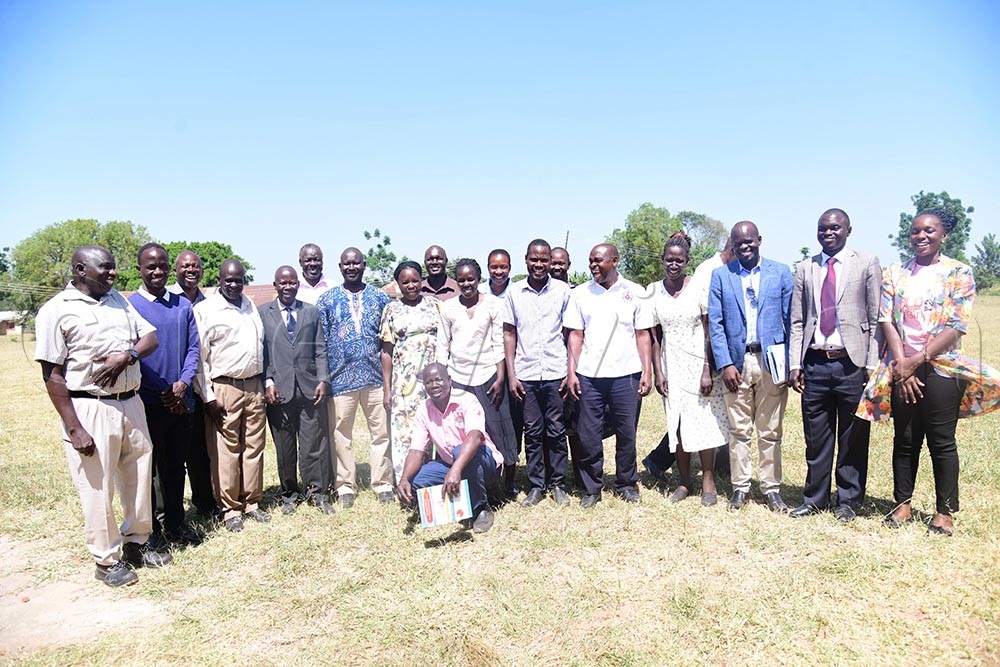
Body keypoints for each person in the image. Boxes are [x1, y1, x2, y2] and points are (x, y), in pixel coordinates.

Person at [35, 245, 171, 587]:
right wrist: (73, 427)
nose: (113, 273)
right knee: (97, 485)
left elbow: (150, 338)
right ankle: (106, 559)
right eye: (105, 268)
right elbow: (52, 373)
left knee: (138, 475)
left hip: (131, 401)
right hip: (90, 406)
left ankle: (138, 542)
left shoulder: (118, 301)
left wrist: (127, 355)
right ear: (80, 269)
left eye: (113, 268)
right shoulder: (57, 310)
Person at [858, 209, 1000, 536]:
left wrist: (918, 359)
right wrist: (903, 367)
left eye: (929, 231)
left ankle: (944, 512)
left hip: (943, 367)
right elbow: (887, 321)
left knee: (941, 440)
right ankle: (902, 504)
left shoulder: (959, 272)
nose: (921, 236)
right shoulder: (896, 272)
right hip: (902, 364)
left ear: (943, 235)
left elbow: (956, 325)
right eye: (915, 231)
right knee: (905, 439)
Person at [788, 209, 880, 522]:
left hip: (852, 364)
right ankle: (814, 499)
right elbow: (798, 320)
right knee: (816, 438)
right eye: (822, 228)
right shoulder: (805, 268)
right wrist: (794, 364)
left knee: (853, 438)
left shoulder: (866, 263)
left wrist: (872, 364)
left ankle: (848, 502)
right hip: (815, 364)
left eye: (835, 228)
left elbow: (875, 317)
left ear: (848, 230)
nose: (828, 233)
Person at [708, 221, 793, 512]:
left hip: (772, 362)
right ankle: (740, 488)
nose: (744, 246)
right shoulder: (721, 276)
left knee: (770, 430)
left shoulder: (780, 272)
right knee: (739, 429)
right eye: (738, 242)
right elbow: (716, 325)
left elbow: (791, 320)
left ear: (759, 240)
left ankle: (771, 489)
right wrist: (725, 364)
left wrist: (790, 364)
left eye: (749, 241)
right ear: (732, 244)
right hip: (737, 362)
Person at [564, 243, 653, 508]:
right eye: (590, 260)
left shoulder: (635, 292)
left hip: (626, 374)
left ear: (614, 261)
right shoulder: (580, 294)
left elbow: (643, 334)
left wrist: (646, 371)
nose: (593, 265)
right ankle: (592, 487)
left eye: (598, 260)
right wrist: (571, 372)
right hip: (590, 375)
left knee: (627, 433)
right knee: (588, 434)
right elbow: (575, 336)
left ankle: (626, 483)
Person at [128, 243, 204, 546]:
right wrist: (163, 390)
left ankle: (176, 523)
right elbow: (136, 355)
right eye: (150, 266)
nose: (157, 271)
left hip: (181, 400)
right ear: (140, 270)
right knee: (150, 469)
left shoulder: (182, 305)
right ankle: (153, 530)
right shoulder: (130, 306)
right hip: (149, 402)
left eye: (162, 265)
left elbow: (194, 348)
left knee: (175, 466)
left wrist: (183, 383)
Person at [643, 237, 735, 482]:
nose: (674, 264)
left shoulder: (698, 287)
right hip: (671, 365)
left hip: (698, 363)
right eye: (669, 259)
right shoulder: (653, 291)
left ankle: (708, 481)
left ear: (687, 262)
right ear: (662, 260)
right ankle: (684, 482)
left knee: (705, 422)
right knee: (678, 423)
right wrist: (658, 373)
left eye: (679, 260)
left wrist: (707, 369)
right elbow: (655, 337)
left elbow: (708, 330)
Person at [193, 259, 269, 533]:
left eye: (239, 280)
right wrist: (208, 396)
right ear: (220, 279)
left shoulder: (250, 306)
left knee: (254, 447)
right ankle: (230, 509)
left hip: (254, 385)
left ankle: (252, 502)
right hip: (224, 387)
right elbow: (200, 359)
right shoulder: (206, 310)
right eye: (229, 280)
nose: (234, 285)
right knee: (226, 450)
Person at [317, 247, 395, 507]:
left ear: (364, 266)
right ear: (340, 267)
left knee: (381, 433)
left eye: (356, 263)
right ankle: (345, 486)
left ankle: (383, 483)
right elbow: (322, 343)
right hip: (341, 381)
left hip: (375, 378)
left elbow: (388, 339)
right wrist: (325, 379)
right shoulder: (326, 300)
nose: (352, 267)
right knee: (341, 435)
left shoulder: (381, 298)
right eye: (347, 264)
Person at [438, 258, 518, 498]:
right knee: (466, 433)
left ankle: (508, 483)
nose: (466, 284)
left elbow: (498, 342)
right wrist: (443, 380)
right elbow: (443, 345)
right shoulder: (449, 308)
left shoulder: (493, 304)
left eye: (471, 279)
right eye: (461, 280)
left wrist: (500, 378)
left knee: (499, 428)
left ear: (478, 278)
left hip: (488, 376)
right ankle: (476, 483)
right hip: (458, 378)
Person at [259, 266, 335, 516]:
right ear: (275, 285)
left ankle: (318, 492)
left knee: (313, 443)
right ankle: (290, 494)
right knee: (285, 447)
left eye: (292, 283)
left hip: (309, 389)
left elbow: (321, 349)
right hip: (278, 392)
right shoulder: (262, 314)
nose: (288, 287)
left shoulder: (311, 312)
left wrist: (322, 379)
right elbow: (261, 353)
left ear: (298, 284)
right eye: (283, 283)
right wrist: (268, 381)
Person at [503, 240, 572, 506]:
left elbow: (571, 333)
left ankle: (558, 484)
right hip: (526, 373)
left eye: (544, 260)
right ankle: (535, 486)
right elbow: (509, 333)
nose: (540, 265)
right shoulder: (515, 292)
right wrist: (511, 374)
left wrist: (569, 371)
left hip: (556, 371)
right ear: (526, 260)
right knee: (532, 432)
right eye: (535, 260)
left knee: (556, 430)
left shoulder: (563, 291)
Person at [395, 364, 503, 533]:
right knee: (417, 480)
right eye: (429, 382)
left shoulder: (467, 399)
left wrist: (456, 470)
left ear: (449, 381)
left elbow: (474, 438)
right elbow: (416, 450)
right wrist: (404, 479)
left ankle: (481, 509)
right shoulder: (424, 410)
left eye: (438, 379)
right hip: (450, 464)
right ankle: (457, 504)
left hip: (483, 460)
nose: (434, 385)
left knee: (460, 452)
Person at [381, 260, 444, 480]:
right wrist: (387, 389)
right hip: (404, 384)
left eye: (415, 281)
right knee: (406, 433)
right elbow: (386, 351)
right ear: (398, 284)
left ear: (421, 281)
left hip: (435, 382)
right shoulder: (391, 309)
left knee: (437, 429)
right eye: (405, 282)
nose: (411, 286)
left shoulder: (435, 304)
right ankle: (406, 482)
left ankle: (434, 479)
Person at [167, 250, 217, 518]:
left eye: (196, 266)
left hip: (200, 389)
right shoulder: (168, 300)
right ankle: (169, 512)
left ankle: (205, 503)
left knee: (200, 452)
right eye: (185, 266)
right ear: (176, 270)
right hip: (173, 388)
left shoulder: (207, 303)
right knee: (172, 455)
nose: (191, 270)